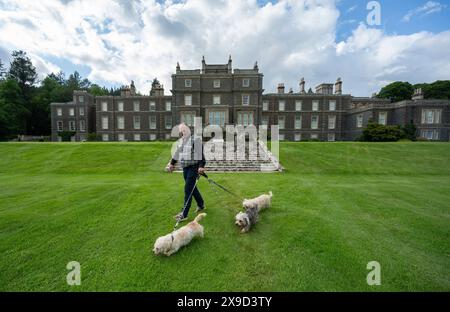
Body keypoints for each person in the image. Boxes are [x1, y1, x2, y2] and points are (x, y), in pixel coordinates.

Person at [168, 123, 206, 222]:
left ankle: (184, 214)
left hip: (194, 168)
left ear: (189, 130)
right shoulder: (181, 141)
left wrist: (201, 166)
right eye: (181, 131)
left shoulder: (195, 140)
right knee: (192, 188)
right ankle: (201, 204)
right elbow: (177, 153)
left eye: (184, 130)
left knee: (188, 189)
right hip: (185, 168)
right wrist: (172, 163)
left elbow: (200, 155)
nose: (182, 132)